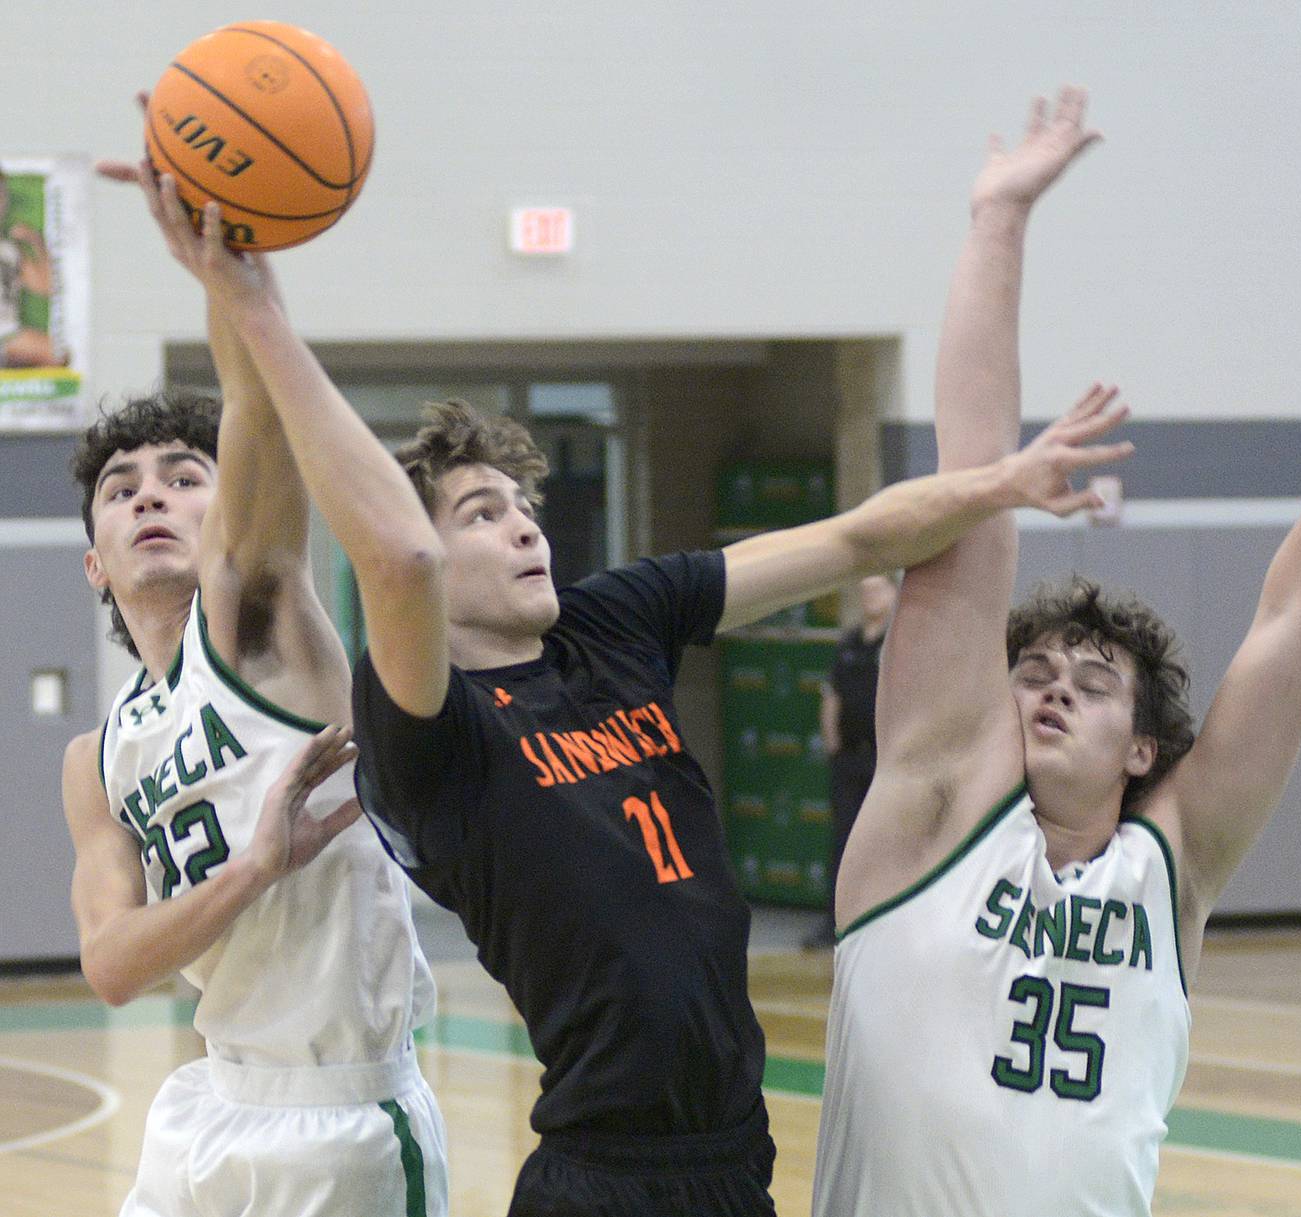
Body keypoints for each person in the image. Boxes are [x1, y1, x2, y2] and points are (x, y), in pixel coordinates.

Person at [134, 158, 1136, 1217]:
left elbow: (854, 537)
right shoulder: (429, 730)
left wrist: (1005, 482)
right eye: (481, 511)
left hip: (734, 1155)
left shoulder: (611, 621)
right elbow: (398, 561)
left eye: (524, 504)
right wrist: (255, 306)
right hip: (604, 1173)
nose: (524, 523)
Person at [813, 86, 1301, 1217]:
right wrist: (998, 219)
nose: (1051, 688)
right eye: (1035, 672)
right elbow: (971, 481)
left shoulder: (1172, 866)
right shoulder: (935, 805)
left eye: (1092, 685)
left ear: (1144, 748)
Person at [62, 168, 446, 1214]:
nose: (150, 491)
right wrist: (253, 868)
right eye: (120, 485)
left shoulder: (254, 621)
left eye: (185, 478)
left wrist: (221, 266)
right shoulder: (95, 758)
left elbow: (253, 410)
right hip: (204, 1102)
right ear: (94, 560)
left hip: (342, 1112)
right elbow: (111, 964)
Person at [806, 573, 898, 949]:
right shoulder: (849, 644)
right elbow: (832, 695)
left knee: (886, 843)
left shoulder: (898, 642)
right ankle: (835, 922)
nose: (869, 597)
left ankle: (884, 923)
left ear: (894, 593)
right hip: (849, 759)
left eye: (876, 590)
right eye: (864, 590)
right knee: (843, 840)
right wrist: (833, 744)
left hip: (886, 761)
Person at [0, 167, 63, 368]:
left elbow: (46, 287)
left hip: (8, 334)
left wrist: (36, 242)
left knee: (58, 354)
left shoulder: (11, 249)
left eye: (2, 195)